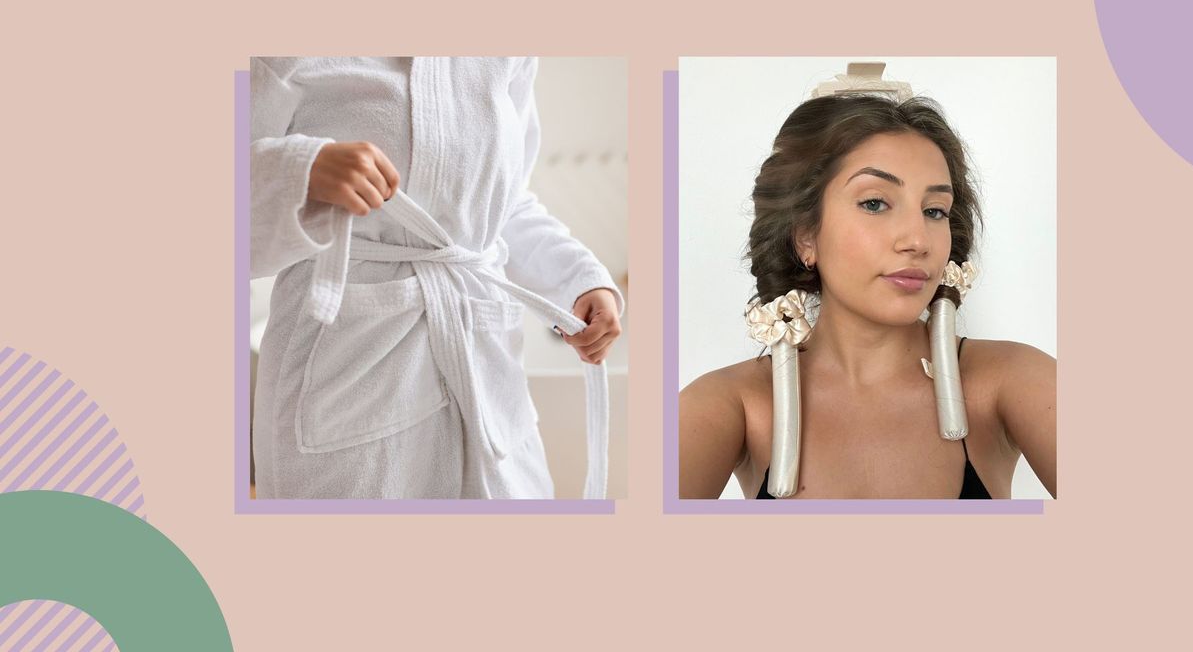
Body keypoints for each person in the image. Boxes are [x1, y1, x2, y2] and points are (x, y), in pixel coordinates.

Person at [250, 57, 622, 499]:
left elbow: (504, 203)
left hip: (486, 374)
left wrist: (578, 280)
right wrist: (298, 169)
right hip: (348, 366)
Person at [679, 92, 1055, 499]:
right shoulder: (730, 406)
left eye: (935, 211)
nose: (917, 240)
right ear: (805, 234)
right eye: (875, 203)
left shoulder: (1013, 382)